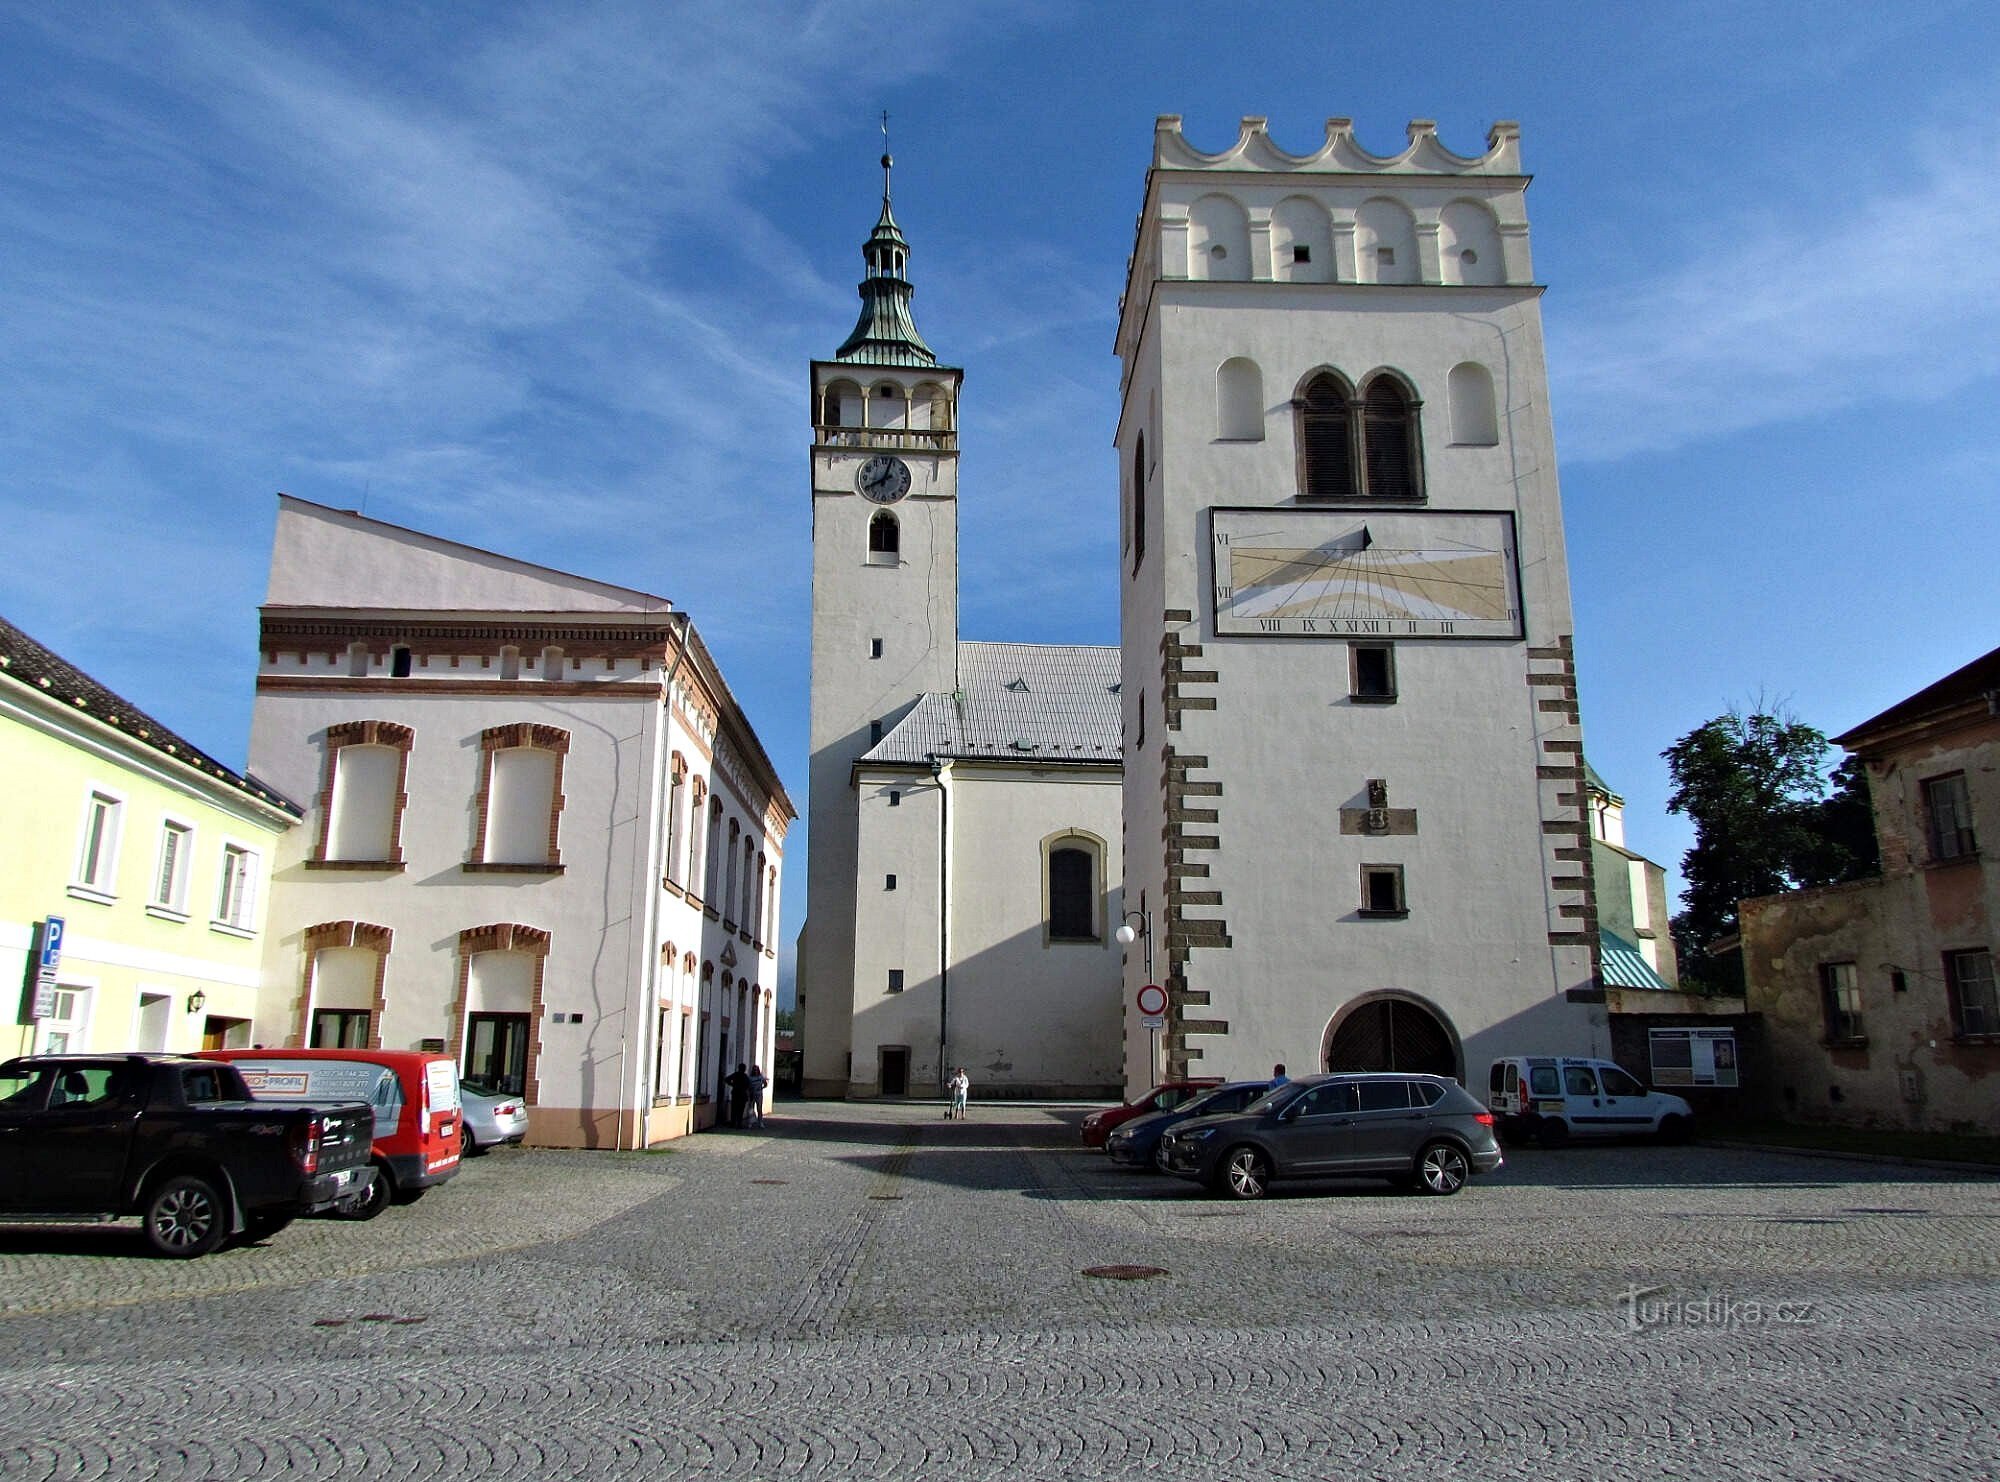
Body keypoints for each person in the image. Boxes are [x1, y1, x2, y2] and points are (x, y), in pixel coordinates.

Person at [724, 1063, 751, 1128]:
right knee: (740, 1110)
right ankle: (739, 1124)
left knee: (734, 1109)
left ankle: (733, 1123)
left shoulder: (736, 1074)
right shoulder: (745, 1076)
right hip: (742, 1094)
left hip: (735, 1093)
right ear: (744, 1069)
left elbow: (726, 1079)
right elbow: (748, 1085)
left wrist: (733, 1084)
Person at [745, 1064, 768, 1128]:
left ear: (758, 1070)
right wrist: (749, 1092)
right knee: (751, 1109)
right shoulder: (750, 1077)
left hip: (759, 1094)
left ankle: (760, 1122)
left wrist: (761, 1088)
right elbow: (747, 1086)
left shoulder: (760, 1077)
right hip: (752, 1094)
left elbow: (765, 1084)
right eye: (754, 1070)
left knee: (759, 1108)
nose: (755, 1071)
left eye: (757, 1070)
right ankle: (750, 1122)